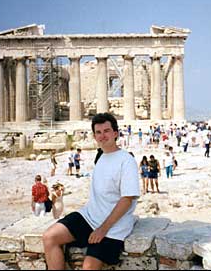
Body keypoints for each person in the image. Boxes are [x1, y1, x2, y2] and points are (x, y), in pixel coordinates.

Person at [43, 113, 140, 270]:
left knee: (89, 267)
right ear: (94, 136)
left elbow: (127, 200)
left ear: (115, 133)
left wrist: (102, 229)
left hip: (114, 227)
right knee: (50, 237)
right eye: (98, 132)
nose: (102, 136)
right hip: (89, 216)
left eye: (107, 131)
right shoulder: (100, 156)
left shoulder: (126, 161)